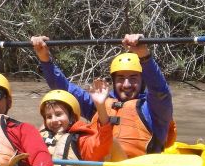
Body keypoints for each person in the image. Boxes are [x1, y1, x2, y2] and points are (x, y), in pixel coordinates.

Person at [31, 33, 176, 158]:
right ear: (113, 81)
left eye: (133, 78)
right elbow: (64, 89)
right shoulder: (100, 103)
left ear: (143, 81)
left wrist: (144, 56)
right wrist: (45, 58)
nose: (126, 84)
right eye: (120, 79)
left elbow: (160, 91)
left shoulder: (154, 110)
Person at [38, 82, 126, 163]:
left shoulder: (80, 140)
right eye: (49, 116)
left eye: (58, 114)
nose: (53, 120)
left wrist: (100, 106)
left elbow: (101, 144)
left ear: (72, 116)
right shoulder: (39, 136)